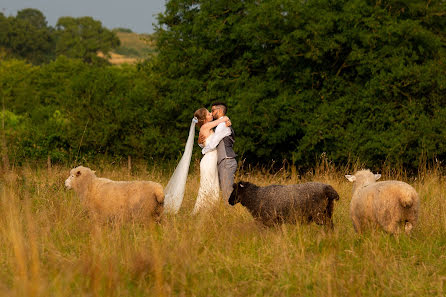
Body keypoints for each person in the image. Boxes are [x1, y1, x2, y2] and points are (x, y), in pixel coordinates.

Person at [191, 107, 232, 214]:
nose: (211, 114)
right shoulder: (206, 126)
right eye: (208, 114)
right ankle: (201, 211)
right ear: (204, 119)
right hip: (209, 160)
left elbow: (203, 143)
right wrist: (226, 119)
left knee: (213, 185)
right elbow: (221, 120)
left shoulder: (207, 128)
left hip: (211, 159)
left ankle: (210, 210)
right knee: (208, 185)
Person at [200, 102, 237, 203]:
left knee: (227, 192)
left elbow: (213, 143)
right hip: (223, 161)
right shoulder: (222, 123)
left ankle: (230, 215)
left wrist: (203, 151)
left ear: (219, 111)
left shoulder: (222, 125)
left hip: (226, 161)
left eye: (212, 111)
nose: (211, 113)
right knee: (223, 191)